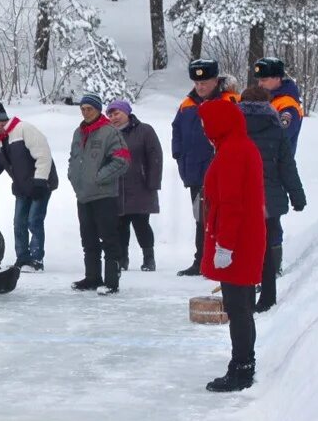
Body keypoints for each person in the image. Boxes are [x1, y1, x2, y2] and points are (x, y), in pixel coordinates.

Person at [198, 99, 266, 392]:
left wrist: (225, 246)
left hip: (238, 242)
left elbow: (231, 203)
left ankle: (242, 368)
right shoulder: (236, 146)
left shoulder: (233, 151)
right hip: (244, 238)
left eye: (206, 123)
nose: (204, 129)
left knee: (238, 308)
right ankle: (242, 364)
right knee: (241, 307)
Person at [239, 86, 307, 312]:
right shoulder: (277, 129)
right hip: (269, 200)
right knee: (266, 248)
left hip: (242, 200)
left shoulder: (234, 129)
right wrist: (297, 196)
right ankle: (268, 298)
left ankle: (245, 297)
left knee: (245, 249)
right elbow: (287, 167)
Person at [172, 59, 241, 276]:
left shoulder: (231, 101)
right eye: (196, 83)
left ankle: (224, 260)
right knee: (201, 218)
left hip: (221, 171)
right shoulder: (187, 104)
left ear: (215, 81)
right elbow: (177, 131)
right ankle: (201, 260)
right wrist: (179, 155)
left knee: (223, 217)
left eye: (204, 83)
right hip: (195, 171)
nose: (200, 87)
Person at [0, 101, 58, 272]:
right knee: (19, 222)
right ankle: (22, 258)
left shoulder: (24, 129)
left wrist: (40, 181)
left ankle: (36, 260)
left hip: (41, 185)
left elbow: (43, 154)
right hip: (21, 188)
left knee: (34, 221)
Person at [68, 94, 131, 294]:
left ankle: (111, 281)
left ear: (98, 109)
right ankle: (92, 277)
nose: (85, 112)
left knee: (109, 238)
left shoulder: (109, 132)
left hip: (104, 195)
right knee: (88, 240)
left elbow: (122, 160)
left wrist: (98, 177)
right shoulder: (78, 132)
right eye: (83, 109)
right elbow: (73, 158)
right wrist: (73, 177)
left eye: (89, 109)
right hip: (83, 195)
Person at [107, 99, 163, 272]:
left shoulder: (145, 130)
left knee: (141, 225)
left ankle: (149, 258)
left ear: (127, 112)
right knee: (119, 226)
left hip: (140, 186)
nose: (113, 118)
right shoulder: (108, 134)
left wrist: (153, 182)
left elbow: (155, 156)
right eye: (110, 115)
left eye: (117, 113)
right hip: (116, 187)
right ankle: (122, 259)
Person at [254, 57, 303, 155]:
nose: (259, 84)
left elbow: (279, 137)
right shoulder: (266, 99)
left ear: (277, 78)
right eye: (259, 80)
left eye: (264, 80)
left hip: (276, 162)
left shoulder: (288, 106)